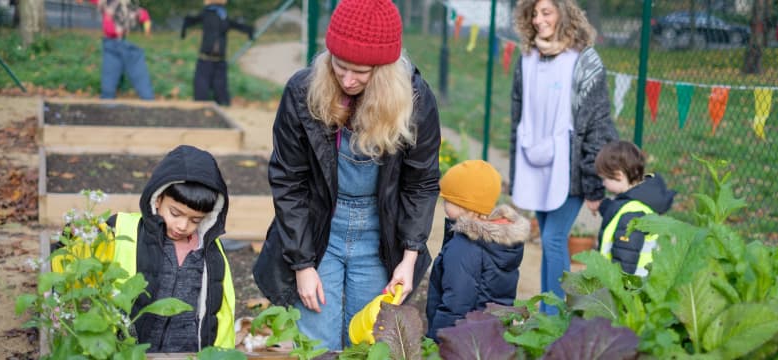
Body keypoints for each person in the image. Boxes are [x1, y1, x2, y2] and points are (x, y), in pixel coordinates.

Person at [251, 0, 441, 350]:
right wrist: (303, 264)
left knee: (366, 342)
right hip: (319, 231)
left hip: (378, 234)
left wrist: (409, 258)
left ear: (384, 71)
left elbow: (421, 182)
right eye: (340, 67)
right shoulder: (302, 91)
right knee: (317, 342)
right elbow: (288, 181)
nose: (348, 80)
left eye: (361, 72)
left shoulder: (414, 100)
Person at [53, 145, 235, 352]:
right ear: (157, 200)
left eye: (195, 220)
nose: (183, 226)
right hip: (128, 350)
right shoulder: (122, 229)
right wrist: (78, 236)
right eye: (175, 213)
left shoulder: (210, 251)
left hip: (188, 352)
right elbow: (71, 265)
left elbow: (221, 310)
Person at [509, 0, 618, 314]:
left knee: (555, 238)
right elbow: (518, 117)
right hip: (535, 163)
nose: (539, 20)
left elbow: (596, 124)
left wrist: (594, 185)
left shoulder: (585, 60)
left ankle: (555, 321)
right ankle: (546, 313)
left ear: (564, 14)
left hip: (570, 168)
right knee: (547, 238)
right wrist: (519, 170)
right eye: (534, 13)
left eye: (547, 12)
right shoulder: (527, 58)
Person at [425, 160, 529, 342]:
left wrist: (436, 342)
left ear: (465, 206)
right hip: (492, 336)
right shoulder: (501, 242)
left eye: (448, 200)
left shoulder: (464, 247)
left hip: (463, 338)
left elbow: (456, 304)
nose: (443, 204)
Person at [595, 141, 675, 276]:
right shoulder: (638, 202)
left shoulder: (631, 214)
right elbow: (617, 212)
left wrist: (619, 288)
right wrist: (605, 206)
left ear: (618, 175)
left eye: (604, 179)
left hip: (629, 286)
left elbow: (625, 258)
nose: (603, 183)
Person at [180, 0, 255, 106]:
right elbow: (192, 20)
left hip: (220, 60)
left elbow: (235, 24)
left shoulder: (223, 15)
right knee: (201, 89)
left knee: (221, 88)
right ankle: (201, 105)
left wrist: (249, 30)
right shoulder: (206, 13)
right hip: (205, 59)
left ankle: (223, 104)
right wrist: (184, 28)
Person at [78, 0, 155, 100]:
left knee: (136, 71)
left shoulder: (128, 6)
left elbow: (144, 15)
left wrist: (147, 29)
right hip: (110, 44)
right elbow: (144, 16)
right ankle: (107, 98)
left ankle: (148, 97)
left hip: (124, 45)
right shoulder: (107, 3)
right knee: (110, 73)